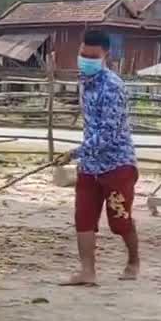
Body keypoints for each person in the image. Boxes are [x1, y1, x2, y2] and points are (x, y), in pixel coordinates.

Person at [59, 29, 140, 286]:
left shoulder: (113, 87)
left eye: (92, 56)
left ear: (106, 55)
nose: (86, 59)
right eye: (83, 54)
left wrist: (74, 152)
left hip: (117, 165)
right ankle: (87, 271)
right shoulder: (85, 83)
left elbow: (108, 133)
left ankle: (134, 261)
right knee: (83, 217)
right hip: (90, 165)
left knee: (119, 219)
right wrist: (82, 156)